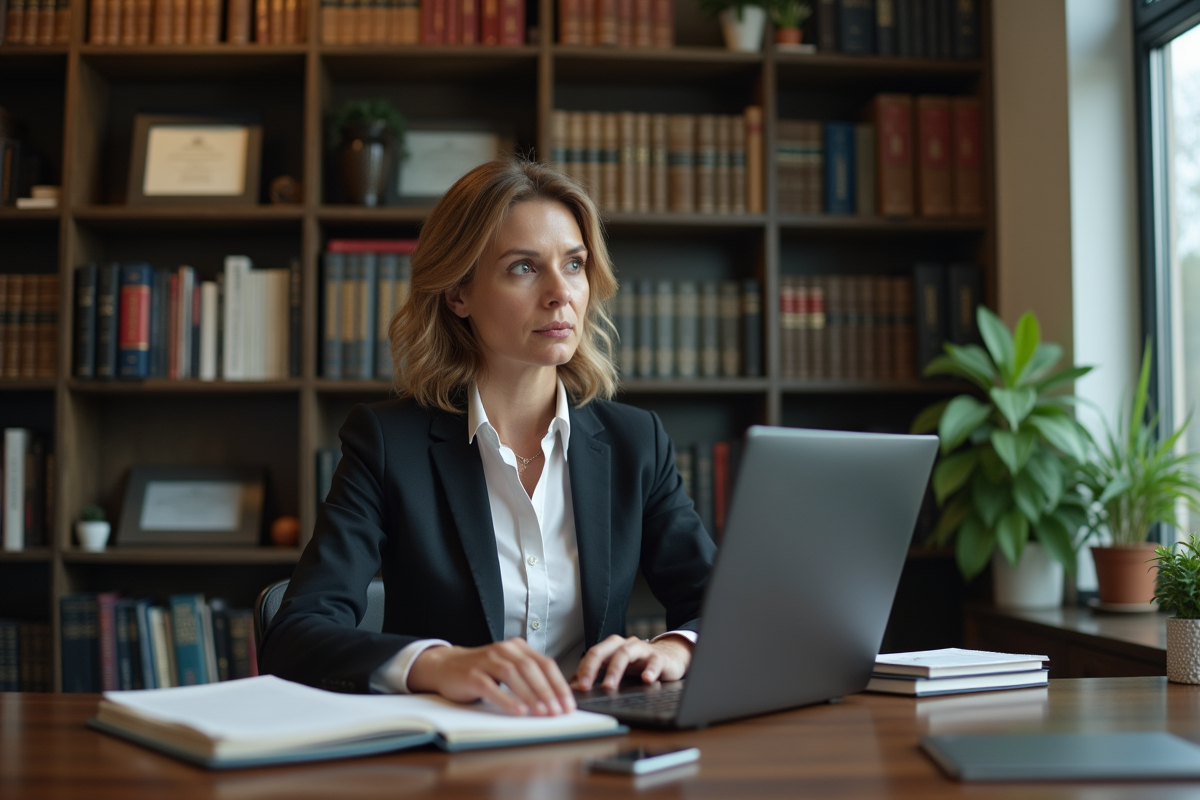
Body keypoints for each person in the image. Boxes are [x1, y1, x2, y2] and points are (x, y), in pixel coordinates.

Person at [259, 159, 715, 717]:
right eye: (523, 267)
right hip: (453, 756)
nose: (560, 293)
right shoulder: (387, 443)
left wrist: (676, 646)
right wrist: (439, 664)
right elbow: (296, 633)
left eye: (573, 264)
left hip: (599, 746)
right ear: (458, 294)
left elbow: (718, 605)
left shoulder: (635, 442)